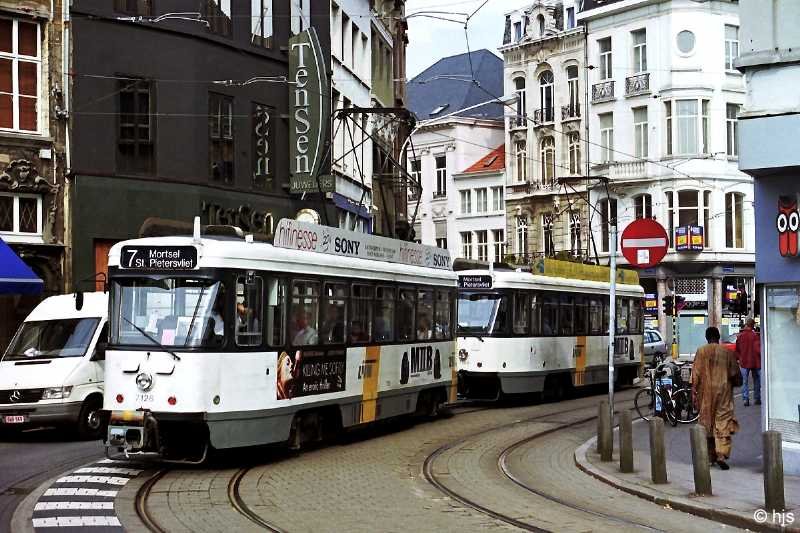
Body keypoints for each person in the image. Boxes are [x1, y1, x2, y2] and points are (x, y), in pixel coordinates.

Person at [692, 326, 741, 470]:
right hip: (724, 392)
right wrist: (737, 382)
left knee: (708, 423)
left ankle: (710, 455)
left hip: (705, 393)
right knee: (722, 422)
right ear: (718, 337)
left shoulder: (701, 351)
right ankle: (721, 454)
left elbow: (695, 374)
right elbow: (735, 373)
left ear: (707, 338)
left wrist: (694, 392)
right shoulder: (727, 352)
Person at [735, 318, 761, 406]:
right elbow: (758, 350)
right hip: (755, 362)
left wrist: (740, 357)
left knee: (744, 381)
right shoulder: (755, 336)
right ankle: (757, 398)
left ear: (746, 324)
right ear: (753, 325)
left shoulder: (740, 336)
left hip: (744, 362)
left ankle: (745, 399)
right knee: (756, 380)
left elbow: (737, 350)